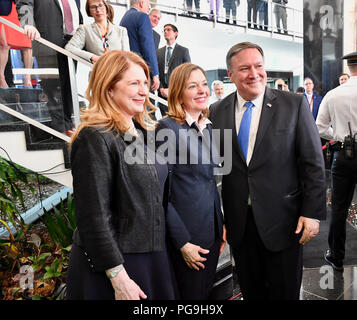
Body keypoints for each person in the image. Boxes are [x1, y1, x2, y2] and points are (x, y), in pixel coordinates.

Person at [210, 42, 326, 300]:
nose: (254, 73)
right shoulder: (217, 111)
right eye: (244, 68)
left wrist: (312, 213)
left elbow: (313, 162)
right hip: (240, 225)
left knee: (284, 292)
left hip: (284, 222)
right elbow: (219, 167)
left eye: (259, 66)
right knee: (252, 292)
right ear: (230, 75)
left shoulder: (293, 105)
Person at [67, 50, 177, 300]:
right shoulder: (94, 137)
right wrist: (119, 278)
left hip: (149, 256)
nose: (143, 91)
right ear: (108, 89)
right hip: (118, 266)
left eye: (145, 83)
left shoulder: (137, 130)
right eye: (134, 83)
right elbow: (93, 217)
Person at [155, 62, 225, 299]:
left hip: (211, 232)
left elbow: (208, 181)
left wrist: (221, 224)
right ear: (178, 93)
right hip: (188, 238)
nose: (202, 90)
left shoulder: (206, 126)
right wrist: (182, 242)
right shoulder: (167, 129)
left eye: (204, 84)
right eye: (192, 86)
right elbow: (158, 194)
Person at [316, 52, 357, 272]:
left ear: (349, 69)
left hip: (343, 155)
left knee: (339, 208)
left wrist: (340, 136)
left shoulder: (333, 94)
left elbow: (320, 127)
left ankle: (336, 257)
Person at [17, 0, 83, 136]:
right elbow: (24, 4)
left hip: (74, 44)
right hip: (48, 42)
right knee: (53, 87)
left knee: (69, 86)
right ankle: (60, 128)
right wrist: (28, 24)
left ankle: (68, 122)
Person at [65, 0, 129, 64]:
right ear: (89, 12)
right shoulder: (85, 29)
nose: (98, 10)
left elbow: (127, 57)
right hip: (97, 71)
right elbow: (69, 47)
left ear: (106, 8)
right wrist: (92, 57)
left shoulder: (121, 31)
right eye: (93, 7)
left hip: (118, 71)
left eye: (100, 5)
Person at [120, 0, 160, 92]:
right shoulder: (143, 16)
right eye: (148, 6)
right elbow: (148, 47)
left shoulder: (125, 17)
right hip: (141, 70)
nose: (148, 9)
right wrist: (155, 74)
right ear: (142, 3)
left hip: (127, 67)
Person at [156, 24, 190, 115]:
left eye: (168, 30)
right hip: (162, 95)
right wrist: (161, 89)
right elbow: (155, 73)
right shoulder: (158, 52)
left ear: (175, 33)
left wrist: (172, 89)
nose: (165, 32)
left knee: (178, 122)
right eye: (164, 30)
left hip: (178, 94)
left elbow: (187, 73)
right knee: (165, 123)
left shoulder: (183, 51)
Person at [0, 0, 33, 88]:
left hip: (19, 8)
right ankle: (1, 79)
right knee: (4, 44)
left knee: (27, 45)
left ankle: (27, 79)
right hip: (3, 10)